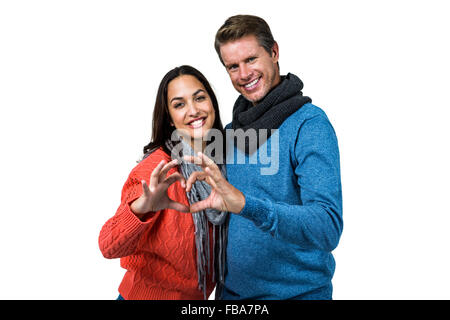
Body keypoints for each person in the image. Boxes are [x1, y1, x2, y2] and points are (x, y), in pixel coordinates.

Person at [184, 15, 343, 300]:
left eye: (251, 59)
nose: (244, 74)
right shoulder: (231, 131)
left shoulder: (309, 125)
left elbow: (327, 226)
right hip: (232, 296)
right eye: (233, 66)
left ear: (274, 52)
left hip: (298, 295)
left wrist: (247, 205)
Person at [98, 65, 229, 300]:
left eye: (200, 98)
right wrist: (142, 207)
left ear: (212, 103)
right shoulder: (157, 169)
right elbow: (108, 246)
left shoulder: (223, 164)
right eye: (179, 104)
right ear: (169, 118)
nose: (193, 110)